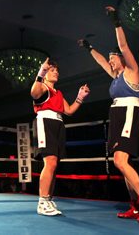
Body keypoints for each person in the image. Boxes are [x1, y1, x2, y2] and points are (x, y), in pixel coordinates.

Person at [78, 6, 139, 222]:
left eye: (114, 58)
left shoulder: (132, 71)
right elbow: (101, 61)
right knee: (119, 163)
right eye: (111, 59)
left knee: (121, 161)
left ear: (122, 58)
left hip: (129, 112)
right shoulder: (115, 77)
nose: (111, 61)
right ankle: (135, 205)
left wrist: (116, 22)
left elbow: (123, 45)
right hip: (117, 116)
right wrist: (89, 48)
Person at [31, 57, 90, 216]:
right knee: (49, 162)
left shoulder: (58, 93)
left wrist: (80, 97)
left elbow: (69, 110)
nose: (56, 72)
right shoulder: (43, 87)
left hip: (58, 124)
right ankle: (42, 202)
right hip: (45, 122)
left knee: (54, 164)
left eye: (57, 70)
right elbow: (33, 93)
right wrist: (41, 72)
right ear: (45, 74)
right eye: (52, 70)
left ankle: (48, 199)